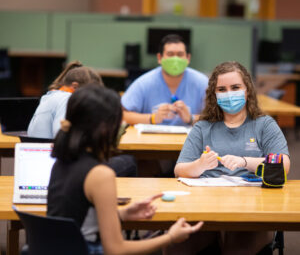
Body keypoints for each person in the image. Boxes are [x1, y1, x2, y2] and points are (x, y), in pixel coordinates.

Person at [47, 84, 203, 255]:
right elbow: (115, 249)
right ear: (106, 128)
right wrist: (171, 237)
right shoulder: (100, 174)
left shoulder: (61, 161)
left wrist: (122, 215)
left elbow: (78, 220)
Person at [173, 61, 290, 254]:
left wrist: (246, 162)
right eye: (222, 89)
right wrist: (200, 165)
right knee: (177, 246)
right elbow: (180, 169)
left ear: (247, 90)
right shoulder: (203, 127)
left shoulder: (264, 124)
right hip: (206, 207)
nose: (229, 93)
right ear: (214, 94)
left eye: (235, 87)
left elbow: (283, 165)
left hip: (252, 208)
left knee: (237, 248)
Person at [28, 62, 136, 177]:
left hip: (43, 163)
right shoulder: (67, 100)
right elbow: (65, 140)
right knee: (129, 163)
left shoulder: (50, 96)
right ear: (75, 86)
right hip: (58, 166)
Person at [121, 34, 208, 126]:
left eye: (180, 54)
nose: (175, 59)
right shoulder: (143, 83)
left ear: (188, 58)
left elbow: (217, 118)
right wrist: (153, 118)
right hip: (150, 140)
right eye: (170, 54)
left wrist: (191, 118)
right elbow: (122, 114)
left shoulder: (202, 83)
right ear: (159, 58)